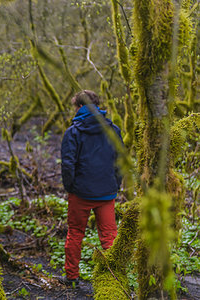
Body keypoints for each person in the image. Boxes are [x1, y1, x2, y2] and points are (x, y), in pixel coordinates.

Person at [60, 90, 123, 287]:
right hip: (106, 192)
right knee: (109, 236)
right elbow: (120, 161)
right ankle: (114, 278)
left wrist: (71, 187)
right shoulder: (114, 130)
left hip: (81, 193)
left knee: (76, 233)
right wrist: (116, 184)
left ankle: (71, 277)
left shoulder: (73, 132)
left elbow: (67, 164)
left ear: (79, 107)